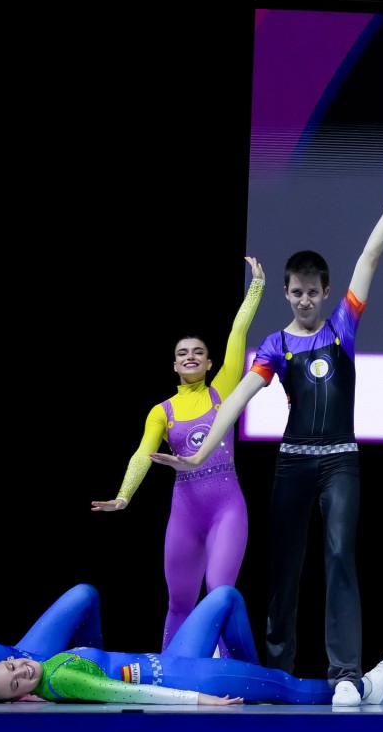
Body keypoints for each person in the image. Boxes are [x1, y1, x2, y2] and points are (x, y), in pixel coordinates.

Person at [152, 157, 383, 707]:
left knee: (339, 557)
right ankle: (278, 674)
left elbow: (369, 256)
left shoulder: (342, 327)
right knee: (284, 571)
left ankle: (346, 675)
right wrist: (198, 455)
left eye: (312, 292)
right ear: (287, 293)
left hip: (341, 462)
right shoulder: (274, 345)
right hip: (293, 464)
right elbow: (238, 400)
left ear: (325, 291)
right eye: (296, 292)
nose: (304, 300)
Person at [91, 257, 265, 656]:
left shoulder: (223, 388)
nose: (190, 356)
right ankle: (169, 673)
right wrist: (124, 496)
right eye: (183, 352)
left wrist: (256, 286)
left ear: (208, 362)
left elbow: (238, 331)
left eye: (198, 352)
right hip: (185, 513)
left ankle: (237, 674)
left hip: (226, 509)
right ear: (174, 364)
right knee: (180, 602)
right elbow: (142, 453)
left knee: (220, 594)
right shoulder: (161, 411)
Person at [0, 585, 383, 706]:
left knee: (225, 597)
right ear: (19, 698)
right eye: (15, 684)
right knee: (291, 688)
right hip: (191, 678)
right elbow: (131, 694)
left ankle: (260, 684)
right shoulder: (63, 678)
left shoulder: (46, 670)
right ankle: (363, 688)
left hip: (173, 660)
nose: (20, 670)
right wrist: (201, 700)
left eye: (11, 667)